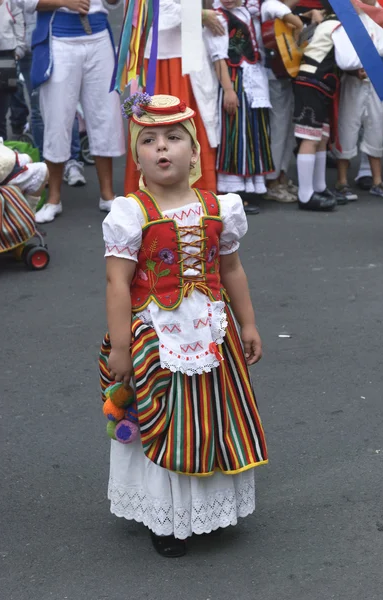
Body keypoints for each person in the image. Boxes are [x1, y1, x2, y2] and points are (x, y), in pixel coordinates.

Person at [100, 94, 268, 557]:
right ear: (137, 157)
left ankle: (208, 507)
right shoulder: (130, 213)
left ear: (194, 152)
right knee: (165, 417)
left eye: (174, 138)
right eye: (149, 140)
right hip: (155, 335)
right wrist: (119, 347)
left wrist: (248, 322)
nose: (162, 148)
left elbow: (230, 269)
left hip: (213, 334)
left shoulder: (219, 206)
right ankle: (164, 515)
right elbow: (117, 283)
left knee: (209, 415)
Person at [13, 0, 125, 224]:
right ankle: (53, 199)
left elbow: (112, 3)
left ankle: (107, 195)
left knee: (106, 115)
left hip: (99, 37)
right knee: (57, 119)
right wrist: (65, 2)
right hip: (59, 40)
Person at [124, 0, 221, 196]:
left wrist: (202, 12)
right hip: (158, 57)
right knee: (157, 122)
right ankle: (152, 191)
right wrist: (201, 15)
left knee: (191, 121)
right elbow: (159, 7)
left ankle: (198, 191)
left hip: (190, 50)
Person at [204, 0, 273, 215]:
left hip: (252, 77)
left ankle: (251, 186)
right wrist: (228, 89)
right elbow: (219, 58)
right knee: (236, 131)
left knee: (252, 130)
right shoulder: (219, 18)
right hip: (234, 78)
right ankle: (234, 192)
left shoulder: (245, 12)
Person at [9, 6, 86, 187]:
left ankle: (72, 161)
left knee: (68, 105)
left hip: (53, 41)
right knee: (37, 109)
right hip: (28, 48)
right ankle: (45, 166)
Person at [333, 0, 383, 202]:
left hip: (378, 77)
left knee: (376, 128)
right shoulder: (347, 12)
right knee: (347, 127)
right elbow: (339, 52)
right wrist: (351, 70)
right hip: (352, 79)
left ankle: (377, 181)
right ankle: (342, 181)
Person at [293, 0, 341, 211]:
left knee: (320, 136)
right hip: (314, 81)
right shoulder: (337, 25)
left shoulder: (328, 22)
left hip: (316, 81)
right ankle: (305, 195)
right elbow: (348, 60)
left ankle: (319, 187)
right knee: (311, 136)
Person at [259, 0, 303, 203]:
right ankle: (273, 181)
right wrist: (298, 36)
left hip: (281, 75)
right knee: (279, 129)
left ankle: (281, 175)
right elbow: (296, 23)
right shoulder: (272, 5)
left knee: (286, 129)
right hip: (274, 76)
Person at [0, 0, 26, 140]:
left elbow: (19, 18)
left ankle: (1, 158)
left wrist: (19, 49)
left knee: (0, 114)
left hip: (6, 55)